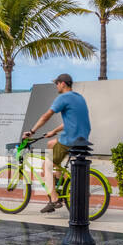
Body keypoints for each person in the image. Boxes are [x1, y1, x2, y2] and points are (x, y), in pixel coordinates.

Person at [23, 73, 91, 213]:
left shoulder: (63, 98)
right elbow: (72, 121)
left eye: (57, 83)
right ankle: (58, 181)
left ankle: (54, 199)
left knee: (46, 165)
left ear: (63, 84)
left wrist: (32, 131)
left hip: (70, 139)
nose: (56, 86)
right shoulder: (79, 98)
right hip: (82, 138)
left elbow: (45, 116)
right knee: (51, 144)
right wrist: (54, 131)